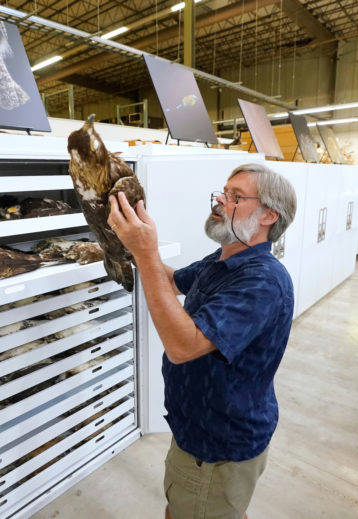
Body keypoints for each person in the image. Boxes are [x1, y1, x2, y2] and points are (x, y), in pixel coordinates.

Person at [107, 163, 297, 519]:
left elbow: (183, 346)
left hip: (219, 445)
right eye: (223, 193)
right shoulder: (225, 259)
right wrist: (133, 246)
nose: (220, 202)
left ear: (269, 214)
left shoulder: (262, 282)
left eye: (235, 197)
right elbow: (174, 281)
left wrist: (146, 253)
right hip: (197, 430)